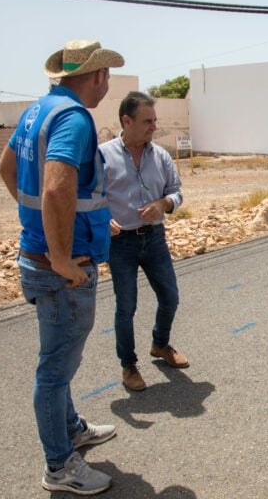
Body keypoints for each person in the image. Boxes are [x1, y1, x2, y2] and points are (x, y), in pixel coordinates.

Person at [0, 40, 124, 495]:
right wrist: (61, 256)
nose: (107, 83)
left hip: (37, 256)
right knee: (54, 370)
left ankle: (70, 429)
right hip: (59, 268)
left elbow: (7, 169)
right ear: (96, 77)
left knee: (59, 361)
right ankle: (59, 465)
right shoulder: (73, 117)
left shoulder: (38, 111)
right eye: (105, 75)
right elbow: (55, 189)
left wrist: (40, 229)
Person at [99, 91, 188, 392]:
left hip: (154, 239)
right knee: (126, 307)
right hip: (119, 243)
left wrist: (163, 205)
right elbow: (89, 197)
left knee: (170, 297)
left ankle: (160, 345)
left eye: (155, 120)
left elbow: (176, 191)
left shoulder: (160, 155)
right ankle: (129, 365)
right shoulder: (103, 155)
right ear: (127, 121)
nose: (154, 126)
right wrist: (101, 220)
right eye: (147, 121)